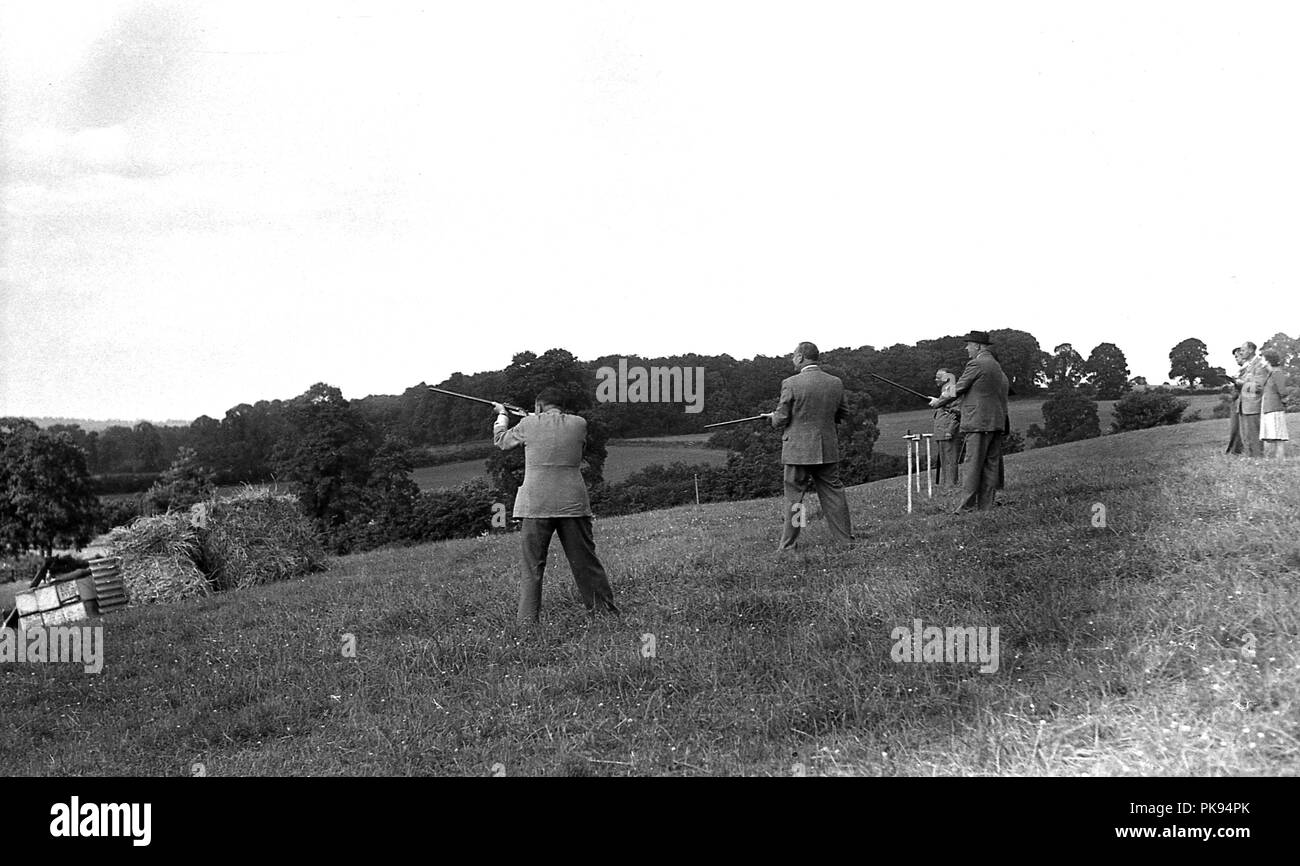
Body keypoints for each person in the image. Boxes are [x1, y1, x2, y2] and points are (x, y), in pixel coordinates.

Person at [492, 388, 619, 625]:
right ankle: (604, 613)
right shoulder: (579, 424)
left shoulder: (528, 425)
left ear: (539, 406)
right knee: (585, 561)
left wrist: (503, 415)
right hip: (572, 503)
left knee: (532, 567)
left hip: (535, 504)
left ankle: (527, 623)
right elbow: (556, 432)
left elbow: (501, 442)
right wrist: (532, 417)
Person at [765, 342, 854, 549]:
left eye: (793, 355)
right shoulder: (835, 382)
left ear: (801, 357)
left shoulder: (790, 383)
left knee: (795, 499)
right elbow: (844, 413)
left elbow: (782, 418)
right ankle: (845, 541)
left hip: (798, 451)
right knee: (834, 496)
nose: (792, 359)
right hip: (827, 448)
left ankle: (789, 545)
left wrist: (772, 418)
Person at [928, 330, 1009, 512]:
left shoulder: (976, 363)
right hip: (996, 422)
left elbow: (958, 387)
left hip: (979, 423)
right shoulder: (995, 365)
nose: (966, 348)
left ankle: (967, 507)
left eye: (969, 345)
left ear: (978, 346)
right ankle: (985, 506)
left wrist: (938, 402)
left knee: (972, 465)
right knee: (990, 465)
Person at [1235, 342, 1269, 458]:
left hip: (1253, 404)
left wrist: (1242, 383)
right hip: (1244, 403)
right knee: (1246, 433)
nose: (1241, 352)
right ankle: (1250, 456)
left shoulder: (1260, 364)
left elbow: (1259, 386)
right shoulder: (1247, 365)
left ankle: (1258, 457)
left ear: (1250, 350)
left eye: (1243, 350)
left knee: (1254, 433)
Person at [931, 369, 961, 487]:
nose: (936, 379)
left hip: (947, 432)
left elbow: (957, 412)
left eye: (939, 377)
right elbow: (944, 405)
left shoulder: (952, 389)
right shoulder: (946, 391)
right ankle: (946, 484)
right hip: (941, 432)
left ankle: (951, 485)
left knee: (950, 460)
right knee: (944, 460)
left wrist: (950, 430)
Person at [1259, 349, 1290, 459]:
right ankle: (1273, 460)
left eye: (1262, 359)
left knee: (1278, 436)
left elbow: (1282, 392)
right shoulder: (1270, 373)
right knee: (1272, 435)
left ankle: (1280, 460)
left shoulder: (1277, 373)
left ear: (1268, 360)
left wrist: (1284, 402)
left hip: (1275, 408)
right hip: (1268, 408)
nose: (1261, 361)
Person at [1225, 346, 1246, 455]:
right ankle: (1236, 449)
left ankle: (1237, 449)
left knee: (1238, 427)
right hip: (1236, 400)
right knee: (1235, 426)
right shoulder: (1241, 371)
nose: (1236, 359)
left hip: (1243, 400)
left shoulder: (1248, 370)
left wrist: (1235, 381)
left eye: (1237, 356)